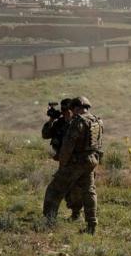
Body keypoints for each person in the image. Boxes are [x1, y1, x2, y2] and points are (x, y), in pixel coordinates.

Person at [43, 96, 103, 234]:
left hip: (75, 162)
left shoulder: (78, 122)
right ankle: (92, 225)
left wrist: (63, 165)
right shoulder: (97, 121)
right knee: (89, 191)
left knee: (54, 190)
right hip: (91, 161)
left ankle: (48, 222)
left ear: (76, 108)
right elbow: (98, 145)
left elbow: (67, 147)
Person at [42, 98, 84, 221]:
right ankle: (50, 217)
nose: (66, 112)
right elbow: (45, 134)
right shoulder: (60, 123)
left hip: (76, 162)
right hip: (64, 162)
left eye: (68, 109)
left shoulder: (78, 123)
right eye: (64, 110)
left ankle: (76, 214)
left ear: (73, 110)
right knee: (61, 189)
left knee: (75, 189)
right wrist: (51, 119)